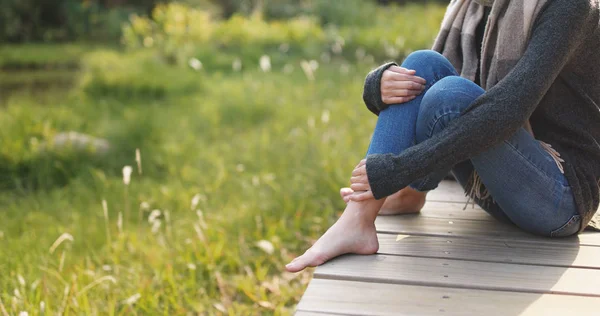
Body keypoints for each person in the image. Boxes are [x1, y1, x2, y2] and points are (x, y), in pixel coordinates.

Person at [285, 0, 600, 273]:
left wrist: (401, 169)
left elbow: (506, 111)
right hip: (497, 188)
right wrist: (376, 87)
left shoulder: (569, 6)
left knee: (450, 95)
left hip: (559, 199)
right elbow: (424, 90)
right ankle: (360, 218)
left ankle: (401, 191)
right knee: (424, 64)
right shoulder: (477, 7)